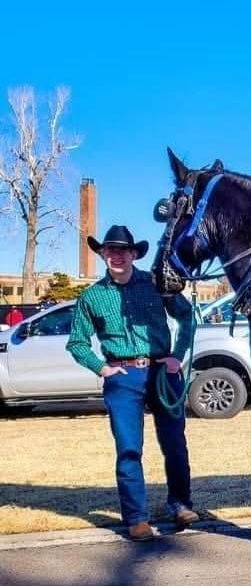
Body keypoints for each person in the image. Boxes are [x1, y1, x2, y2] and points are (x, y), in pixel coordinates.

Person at [66, 225, 198, 541]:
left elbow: (187, 317)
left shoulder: (156, 284)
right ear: (102, 254)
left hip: (162, 373)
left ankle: (180, 505)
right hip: (123, 377)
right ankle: (136, 518)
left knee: (175, 445)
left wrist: (177, 355)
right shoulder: (92, 297)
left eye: (123, 250)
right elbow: (77, 343)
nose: (117, 256)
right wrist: (101, 368)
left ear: (134, 254)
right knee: (128, 449)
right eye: (110, 250)